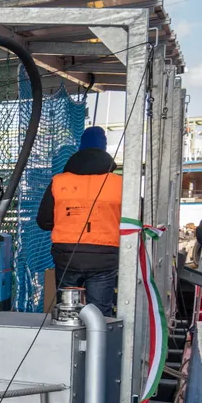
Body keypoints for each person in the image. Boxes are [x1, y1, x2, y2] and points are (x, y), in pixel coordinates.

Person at [36, 125, 122, 317]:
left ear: (80, 148)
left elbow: (43, 221)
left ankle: (68, 345)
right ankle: (100, 346)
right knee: (100, 315)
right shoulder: (119, 183)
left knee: (68, 313)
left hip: (67, 256)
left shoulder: (59, 181)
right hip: (104, 258)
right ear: (104, 148)